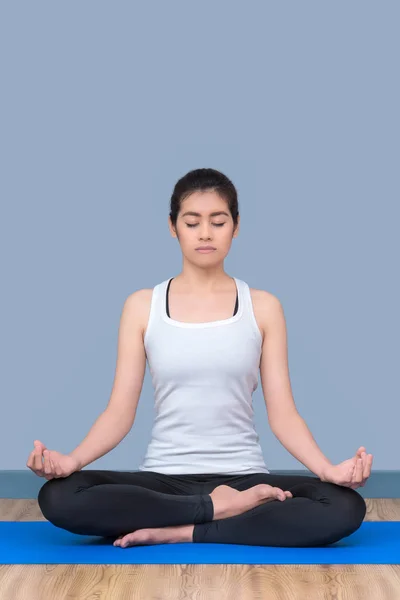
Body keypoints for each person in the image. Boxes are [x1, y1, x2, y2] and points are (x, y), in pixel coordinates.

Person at [28, 168, 372, 549]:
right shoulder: (143, 306)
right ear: (173, 227)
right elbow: (119, 413)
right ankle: (212, 510)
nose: (205, 233)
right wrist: (71, 462)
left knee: (342, 505)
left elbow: (284, 414)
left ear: (236, 226)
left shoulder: (264, 307)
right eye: (192, 222)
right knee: (59, 496)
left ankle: (183, 529)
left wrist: (327, 470)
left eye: (218, 221)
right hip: (164, 479)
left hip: (245, 478)